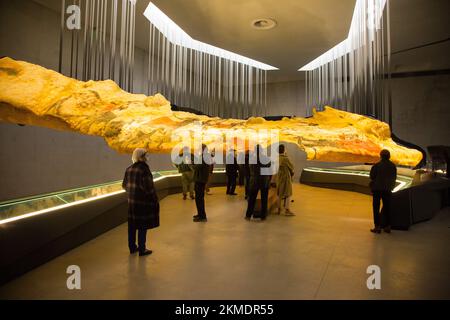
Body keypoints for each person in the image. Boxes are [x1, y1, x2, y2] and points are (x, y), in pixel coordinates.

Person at [122, 148, 160, 256]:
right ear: (141, 156)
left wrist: (132, 193)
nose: (148, 157)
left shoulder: (129, 169)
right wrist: (154, 200)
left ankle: (132, 247)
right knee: (142, 225)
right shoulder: (144, 169)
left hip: (132, 203)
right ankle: (142, 249)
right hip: (143, 203)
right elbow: (149, 188)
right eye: (146, 155)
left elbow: (124, 185)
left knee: (132, 225)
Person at [370, 149, 397, 234]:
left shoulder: (376, 166)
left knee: (376, 208)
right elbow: (394, 177)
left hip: (377, 190)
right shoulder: (393, 166)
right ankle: (388, 226)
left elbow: (372, 176)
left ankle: (377, 227)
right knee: (387, 208)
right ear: (389, 156)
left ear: (381, 156)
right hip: (387, 190)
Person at [245, 145, 272, 221]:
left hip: (254, 181)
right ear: (262, 150)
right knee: (264, 199)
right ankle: (263, 216)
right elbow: (270, 170)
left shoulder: (252, 159)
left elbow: (250, 170)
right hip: (264, 180)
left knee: (251, 199)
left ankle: (248, 215)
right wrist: (269, 180)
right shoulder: (266, 158)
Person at [192, 144, 211, 222]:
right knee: (199, 198)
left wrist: (192, 164)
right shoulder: (205, 156)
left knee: (199, 198)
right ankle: (200, 214)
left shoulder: (204, 157)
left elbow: (197, 167)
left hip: (200, 180)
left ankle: (202, 216)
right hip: (201, 179)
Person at [277, 144, 295, 216]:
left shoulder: (277, 158)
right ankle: (287, 210)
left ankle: (279, 208)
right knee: (288, 193)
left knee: (280, 193)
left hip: (279, 177)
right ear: (284, 150)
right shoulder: (285, 158)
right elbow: (292, 167)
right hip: (286, 177)